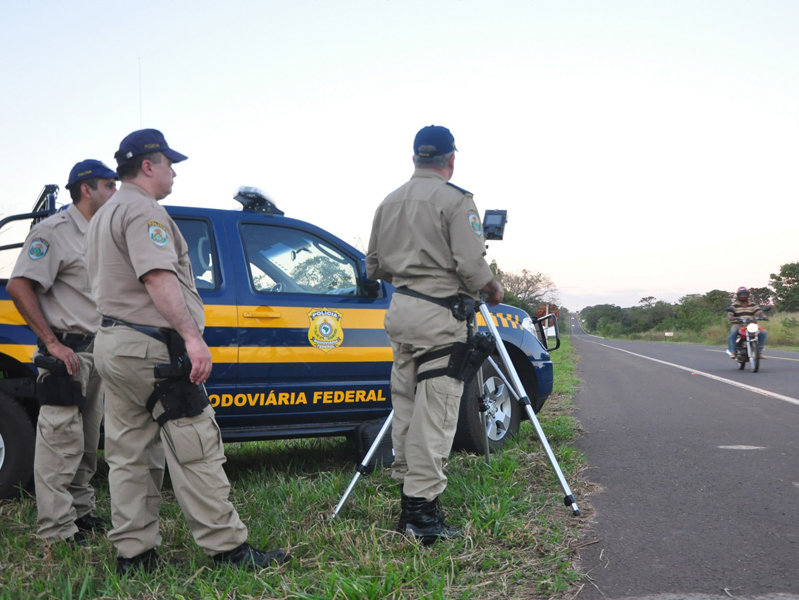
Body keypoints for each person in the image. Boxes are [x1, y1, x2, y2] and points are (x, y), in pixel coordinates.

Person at [84, 129, 286, 574]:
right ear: (149, 165)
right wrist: (192, 338)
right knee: (195, 446)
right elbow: (157, 277)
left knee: (129, 453)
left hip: (115, 344)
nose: (174, 171)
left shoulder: (104, 213)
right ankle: (227, 549)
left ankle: (135, 556)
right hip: (153, 348)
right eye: (169, 163)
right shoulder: (143, 211)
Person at [366, 125, 504, 545]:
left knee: (406, 407)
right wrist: (493, 287)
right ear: (450, 160)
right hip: (442, 317)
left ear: (414, 159)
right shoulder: (457, 201)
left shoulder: (389, 201)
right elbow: (471, 266)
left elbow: (373, 265)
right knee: (436, 416)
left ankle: (409, 497)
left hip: (402, 313)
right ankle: (422, 517)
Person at [7, 159, 118, 545]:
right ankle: (56, 529)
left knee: (87, 442)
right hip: (66, 354)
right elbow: (20, 285)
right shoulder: (54, 231)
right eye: (109, 185)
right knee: (59, 443)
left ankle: (81, 513)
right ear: (86, 189)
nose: (115, 191)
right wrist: (51, 342)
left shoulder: (103, 233)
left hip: (97, 352)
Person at [727, 286, 768, 358]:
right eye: (741, 294)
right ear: (738, 295)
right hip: (738, 324)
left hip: (751, 324)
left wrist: (764, 316)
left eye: (744, 294)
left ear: (747, 295)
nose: (743, 296)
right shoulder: (734, 305)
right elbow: (730, 312)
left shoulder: (752, 304)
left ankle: (760, 352)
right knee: (732, 332)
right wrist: (731, 317)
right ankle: (732, 352)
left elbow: (759, 312)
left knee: (763, 332)